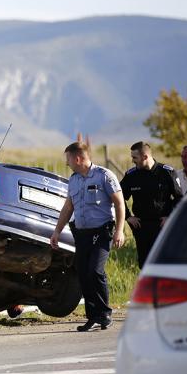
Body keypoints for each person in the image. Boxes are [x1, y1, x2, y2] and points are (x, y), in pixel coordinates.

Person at [51, 142, 125, 332]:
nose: (66, 163)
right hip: (82, 233)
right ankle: (92, 316)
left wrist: (119, 230)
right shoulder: (74, 180)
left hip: (102, 231)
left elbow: (119, 203)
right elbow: (68, 208)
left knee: (95, 270)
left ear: (78, 158)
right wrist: (57, 231)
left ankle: (105, 313)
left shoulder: (104, 176)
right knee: (83, 272)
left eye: (68, 159)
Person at [120, 141, 182, 268]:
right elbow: (118, 198)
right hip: (141, 226)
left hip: (162, 225)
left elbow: (180, 198)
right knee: (144, 264)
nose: (132, 160)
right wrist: (128, 217)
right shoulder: (132, 175)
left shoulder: (166, 173)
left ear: (145, 157)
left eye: (134, 157)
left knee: (164, 262)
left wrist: (170, 216)